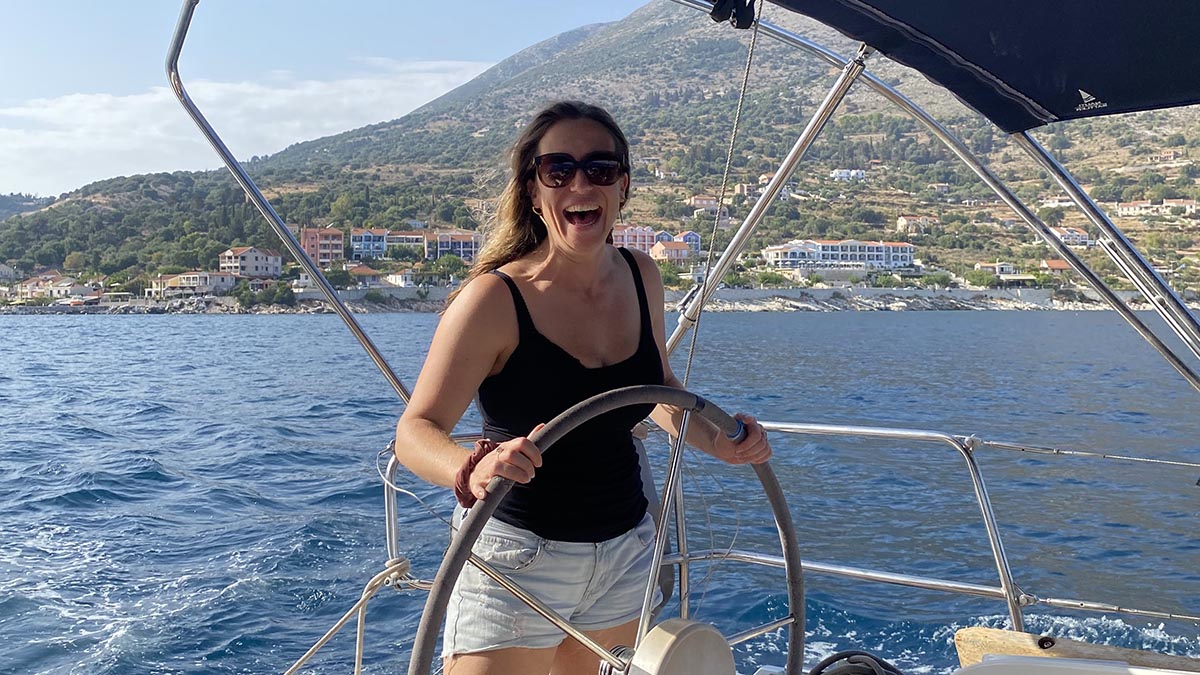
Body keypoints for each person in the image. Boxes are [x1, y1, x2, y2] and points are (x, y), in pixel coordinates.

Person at [393, 100, 771, 675]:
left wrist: (718, 441)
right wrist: (474, 469)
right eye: (558, 169)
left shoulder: (642, 275)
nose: (580, 182)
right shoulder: (493, 301)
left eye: (600, 168)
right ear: (532, 189)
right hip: (517, 558)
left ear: (622, 186)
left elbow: (658, 390)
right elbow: (415, 432)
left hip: (625, 552)